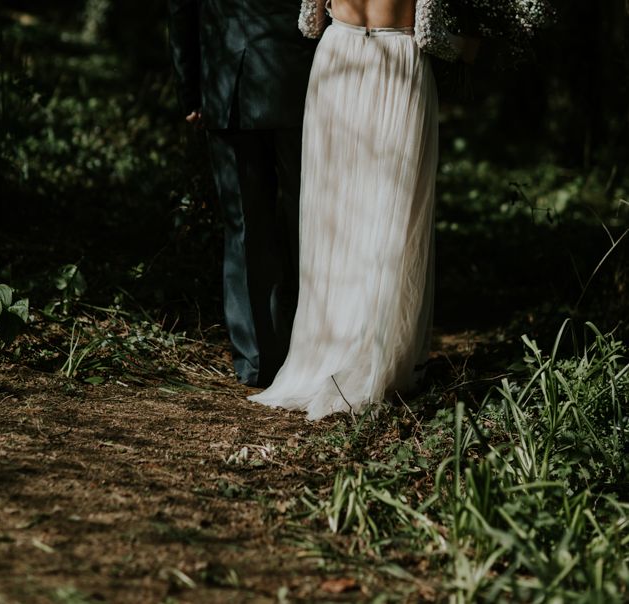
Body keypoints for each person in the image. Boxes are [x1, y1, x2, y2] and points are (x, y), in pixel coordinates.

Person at [248, 0, 478, 419]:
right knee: (387, 214)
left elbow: (309, 23)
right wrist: (468, 48)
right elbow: (428, 36)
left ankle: (326, 352)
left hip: (338, 64)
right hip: (394, 68)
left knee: (336, 217)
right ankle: (373, 357)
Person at [167, 0, 317, 387]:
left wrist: (192, 91)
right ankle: (317, 348)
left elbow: (181, 11)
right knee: (312, 219)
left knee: (245, 226)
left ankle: (258, 360)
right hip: (300, 76)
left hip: (229, 78)